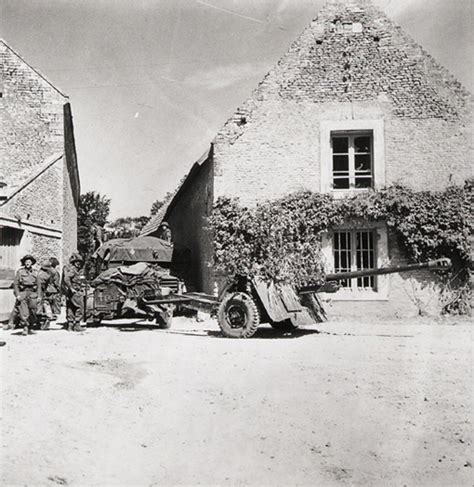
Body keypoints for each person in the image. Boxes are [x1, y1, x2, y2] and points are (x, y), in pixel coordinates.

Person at [13, 254, 41, 336]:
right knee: (24, 311)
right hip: (23, 293)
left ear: (32, 263)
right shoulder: (20, 272)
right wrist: (17, 294)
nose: (28, 263)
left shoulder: (36, 272)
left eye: (29, 261)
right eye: (26, 261)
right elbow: (15, 284)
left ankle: (31, 327)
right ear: (24, 263)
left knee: (33, 311)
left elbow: (39, 285)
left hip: (33, 293)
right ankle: (25, 327)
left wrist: (39, 296)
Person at [62, 253, 86, 332]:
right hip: (75, 291)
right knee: (80, 307)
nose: (78, 263)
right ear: (74, 262)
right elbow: (66, 278)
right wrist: (71, 288)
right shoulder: (73, 270)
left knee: (71, 307)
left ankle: (70, 325)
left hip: (72, 291)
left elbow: (82, 281)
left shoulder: (77, 270)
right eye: (77, 262)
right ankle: (77, 325)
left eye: (79, 262)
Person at [37, 259, 54, 330]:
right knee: (43, 305)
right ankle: (47, 318)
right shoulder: (46, 275)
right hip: (41, 292)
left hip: (39, 292)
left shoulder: (40, 273)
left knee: (40, 307)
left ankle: (41, 321)